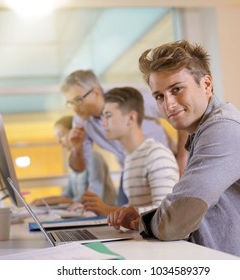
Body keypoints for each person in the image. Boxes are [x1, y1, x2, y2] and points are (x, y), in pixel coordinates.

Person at [107, 40, 240, 260]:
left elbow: (175, 221)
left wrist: (145, 222)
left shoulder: (226, 128)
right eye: (159, 96)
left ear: (206, 85)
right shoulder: (204, 133)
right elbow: (180, 213)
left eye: (177, 89)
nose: (168, 104)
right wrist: (141, 219)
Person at [61, 70, 188, 205]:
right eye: (70, 103)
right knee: (124, 217)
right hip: (130, 167)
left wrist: (182, 158)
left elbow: (180, 115)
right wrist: (76, 148)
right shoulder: (81, 121)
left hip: (161, 163)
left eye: (78, 100)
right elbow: (79, 168)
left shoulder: (126, 99)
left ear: (96, 93)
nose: (74, 109)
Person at [81, 87, 180, 216]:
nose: (103, 123)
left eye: (108, 116)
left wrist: (107, 210)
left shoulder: (157, 156)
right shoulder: (130, 159)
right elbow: (135, 208)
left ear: (131, 118)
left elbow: (166, 212)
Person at [32, 115, 116, 207]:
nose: (59, 141)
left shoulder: (94, 158)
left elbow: (95, 197)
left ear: (75, 133)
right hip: (83, 211)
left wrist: (62, 201)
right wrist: (43, 201)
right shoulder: (75, 163)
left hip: (102, 215)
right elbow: (67, 195)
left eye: (61, 135)